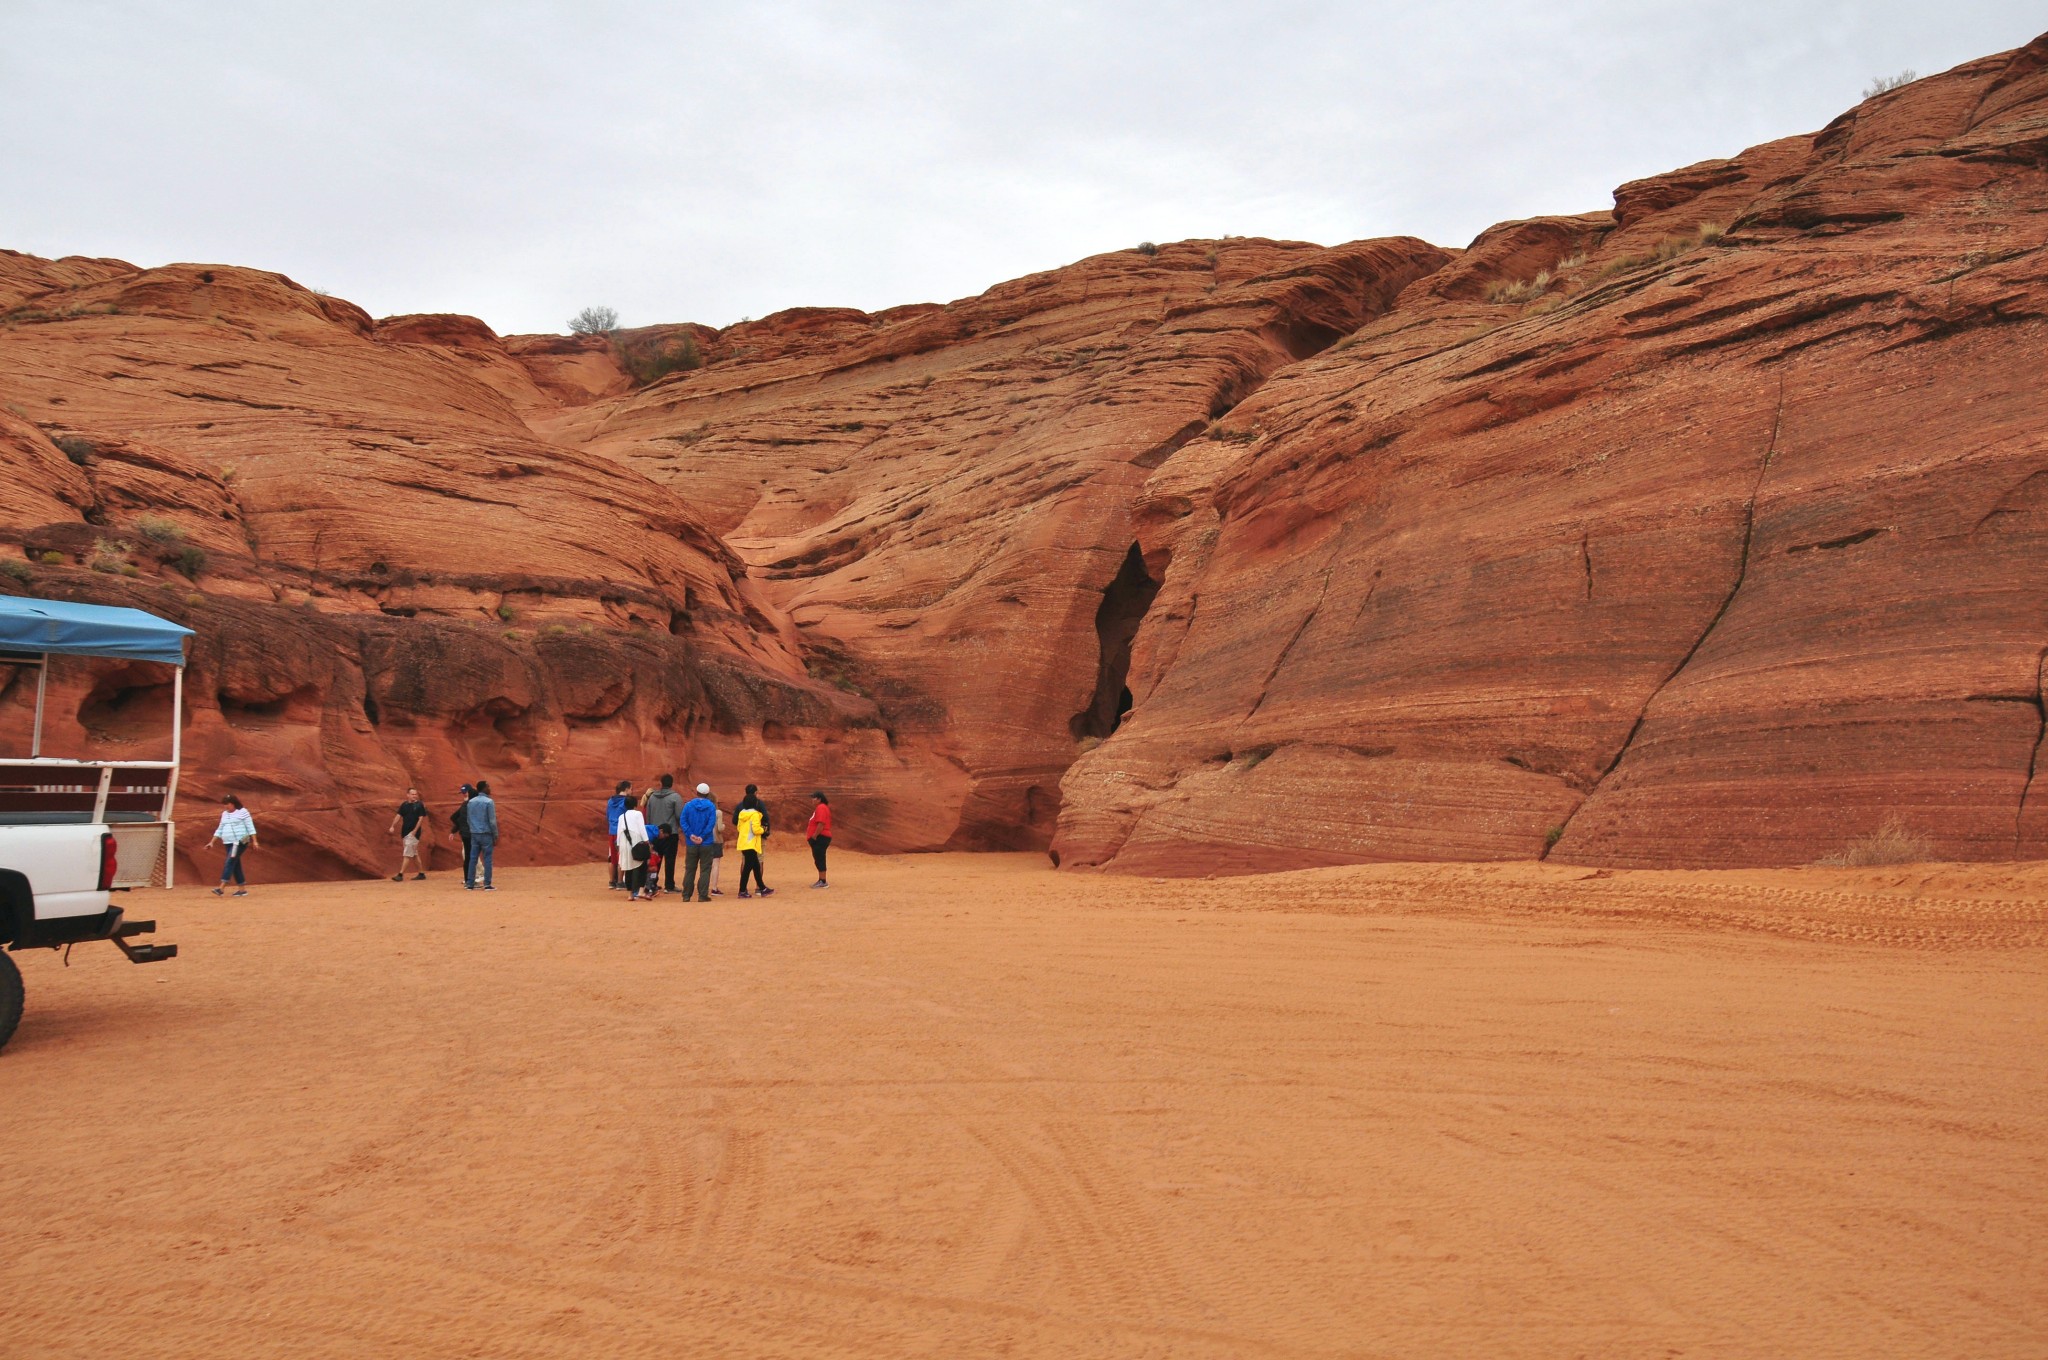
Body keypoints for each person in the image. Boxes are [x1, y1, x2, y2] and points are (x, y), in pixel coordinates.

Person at [208, 794, 257, 897]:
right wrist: (212, 842)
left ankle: (221, 888)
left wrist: (255, 841)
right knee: (235, 863)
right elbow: (220, 828)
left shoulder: (243, 812)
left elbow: (250, 826)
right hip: (228, 842)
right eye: (224, 804)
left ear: (233, 803)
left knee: (230, 861)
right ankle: (242, 889)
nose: (226, 806)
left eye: (228, 804)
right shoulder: (224, 814)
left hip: (240, 840)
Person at [680, 781, 718, 902]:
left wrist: (690, 835)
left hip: (691, 843)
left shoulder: (688, 805)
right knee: (705, 869)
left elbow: (683, 821)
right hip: (706, 842)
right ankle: (702, 895)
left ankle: (686, 895)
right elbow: (711, 824)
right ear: (708, 794)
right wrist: (702, 836)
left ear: (697, 792)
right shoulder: (711, 807)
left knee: (690, 869)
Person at [644, 774, 683, 894]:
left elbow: (648, 815)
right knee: (670, 859)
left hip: (655, 833)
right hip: (670, 833)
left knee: (655, 859)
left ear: (661, 783)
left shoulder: (652, 797)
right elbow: (679, 815)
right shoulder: (675, 797)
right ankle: (669, 885)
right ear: (671, 783)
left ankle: (653, 883)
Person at [735, 786, 774, 898]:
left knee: (755, 866)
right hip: (751, 843)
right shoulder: (755, 815)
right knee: (749, 868)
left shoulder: (742, 814)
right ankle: (743, 891)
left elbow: (738, 827)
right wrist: (764, 830)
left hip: (743, 843)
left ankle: (762, 888)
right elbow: (756, 829)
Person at [615, 792, 652, 900]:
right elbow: (642, 829)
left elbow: (619, 831)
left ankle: (630, 894)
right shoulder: (638, 814)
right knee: (642, 866)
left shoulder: (622, 816)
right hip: (636, 841)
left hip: (624, 842)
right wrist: (646, 841)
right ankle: (641, 890)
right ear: (635, 804)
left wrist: (618, 845)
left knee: (628, 868)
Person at [389, 786, 429, 882]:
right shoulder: (404, 805)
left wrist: (415, 831)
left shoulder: (419, 805)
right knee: (414, 854)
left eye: (415, 794)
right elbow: (398, 816)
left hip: (413, 834)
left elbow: (421, 819)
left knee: (407, 853)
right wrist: (392, 826)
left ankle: (400, 874)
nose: (414, 796)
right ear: (408, 795)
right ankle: (421, 873)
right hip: (405, 832)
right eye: (412, 794)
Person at [465, 779, 500, 891]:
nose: (489, 788)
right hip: (486, 834)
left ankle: (470, 884)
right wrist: (495, 835)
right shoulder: (489, 802)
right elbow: (492, 821)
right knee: (487, 859)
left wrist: (472, 830)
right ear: (484, 788)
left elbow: (469, 819)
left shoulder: (471, 802)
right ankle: (487, 884)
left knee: (473, 859)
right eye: (488, 786)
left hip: (474, 834)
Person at [605, 779, 630, 888]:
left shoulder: (610, 801)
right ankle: (620, 882)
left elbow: (607, 815)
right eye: (630, 789)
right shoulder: (626, 801)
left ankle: (611, 881)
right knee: (621, 857)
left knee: (611, 857)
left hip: (611, 830)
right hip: (621, 832)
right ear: (626, 789)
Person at [806, 790, 832, 889]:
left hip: (820, 837)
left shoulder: (821, 808)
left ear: (819, 799)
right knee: (819, 858)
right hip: (821, 836)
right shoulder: (821, 808)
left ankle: (823, 881)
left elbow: (821, 823)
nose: (812, 800)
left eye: (814, 798)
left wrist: (814, 836)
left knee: (819, 858)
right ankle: (821, 880)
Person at [450, 783, 474, 879]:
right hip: (470, 833)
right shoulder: (467, 804)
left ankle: (470, 878)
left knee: (469, 855)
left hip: (466, 833)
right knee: (470, 855)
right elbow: (455, 817)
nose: (464, 794)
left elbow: (455, 817)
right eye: (463, 793)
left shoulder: (467, 803)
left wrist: (457, 828)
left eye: (465, 792)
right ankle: (471, 878)